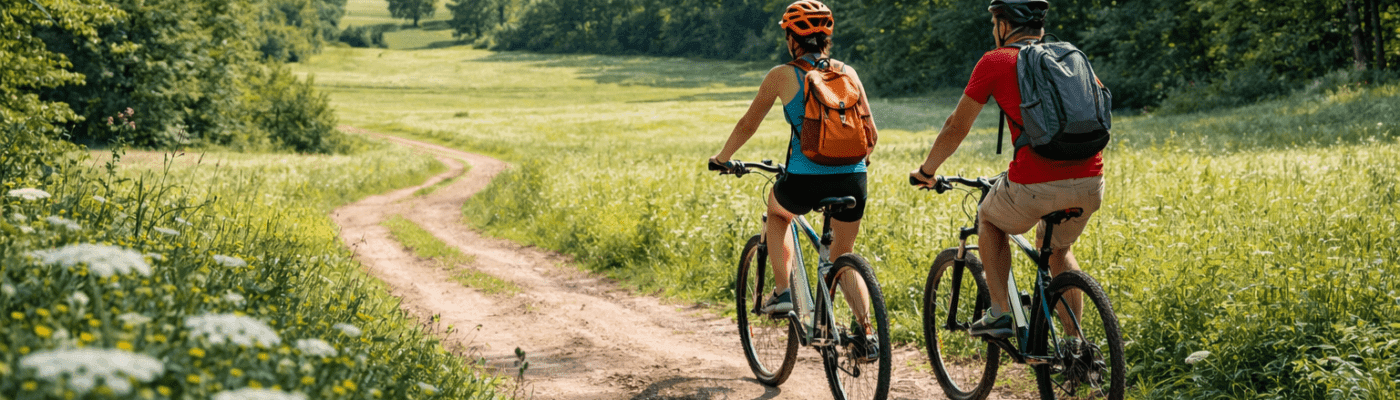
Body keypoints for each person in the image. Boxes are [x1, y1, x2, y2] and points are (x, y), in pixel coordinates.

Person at [909, 0, 1105, 339]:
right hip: (1091, 179)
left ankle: (999, 310)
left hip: (1035, 182)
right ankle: (1076, 345)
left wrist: (928, 170)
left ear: (1003, 26)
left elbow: (957, 125)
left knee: (988, 216)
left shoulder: (996, 60)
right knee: (1059, 249)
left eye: (994, 25)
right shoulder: (1069, 57)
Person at [709, 0, 876, 324]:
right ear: (826, 37)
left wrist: (723, 158)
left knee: (777, 210)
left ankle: (783, 292)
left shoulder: (782, 75)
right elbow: (872, 134)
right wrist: (853, 164)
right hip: (853, 180)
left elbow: (748, 123)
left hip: (805, 180)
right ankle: (867, 333)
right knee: (843, 255)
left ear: (791, 38)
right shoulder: (847, 72)